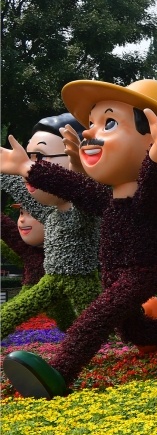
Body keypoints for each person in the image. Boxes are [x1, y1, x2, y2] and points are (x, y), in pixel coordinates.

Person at [0, 79, 157, 399]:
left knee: (93, 318)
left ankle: (60, 372)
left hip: (138, 274)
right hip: (114, 275)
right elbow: (73, 187)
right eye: (91, 123)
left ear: (154, 138)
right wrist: (25, 167)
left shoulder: (146, 199)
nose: (90, 133)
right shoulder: (108, 200)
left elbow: (154, 184)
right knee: (134, 330)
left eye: (109, 123)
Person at [0, 114, 102, 338]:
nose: (31, 166)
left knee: (103, 329)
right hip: (51, 280)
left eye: (39, 157)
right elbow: (15, 185)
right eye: (29, 157)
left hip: (82, 281)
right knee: (12, 315)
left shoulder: (85, 208)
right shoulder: (49, 213)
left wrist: (80, 175)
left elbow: (85, 195)